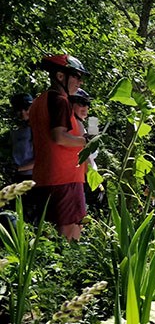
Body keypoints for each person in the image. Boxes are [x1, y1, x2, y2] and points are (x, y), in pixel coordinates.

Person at [28, 54, 89, 240]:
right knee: (69, 233)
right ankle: (70, 269)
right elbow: (59, 136)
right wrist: (86, 142)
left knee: (49, 234)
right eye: (76, 76)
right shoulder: (60, 101)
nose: (79, 82)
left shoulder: (39, 101)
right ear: (61, 76)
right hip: (65, 177)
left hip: (44, 176)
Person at [10, 93, 34, 183]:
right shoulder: (17, 130)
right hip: (19, 177)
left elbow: (43, 159)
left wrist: (18, 168)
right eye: (19, 109)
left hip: (33, 177)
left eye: (26, 108)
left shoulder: (39, 128)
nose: (23, 112)